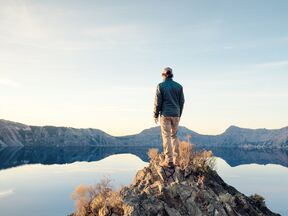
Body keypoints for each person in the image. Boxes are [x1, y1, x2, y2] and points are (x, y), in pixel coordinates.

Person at [154, 67, 185, 168]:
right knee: (174, 136)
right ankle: (177, 160)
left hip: (165, 114)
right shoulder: (179, 86)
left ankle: (169, 161)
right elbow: (182, 102)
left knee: (166, 136)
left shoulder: (161, 86)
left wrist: (155, 114)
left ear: (164, 75)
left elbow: (157, 102)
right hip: (176, 114)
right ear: (172, 74)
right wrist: (179, 113)